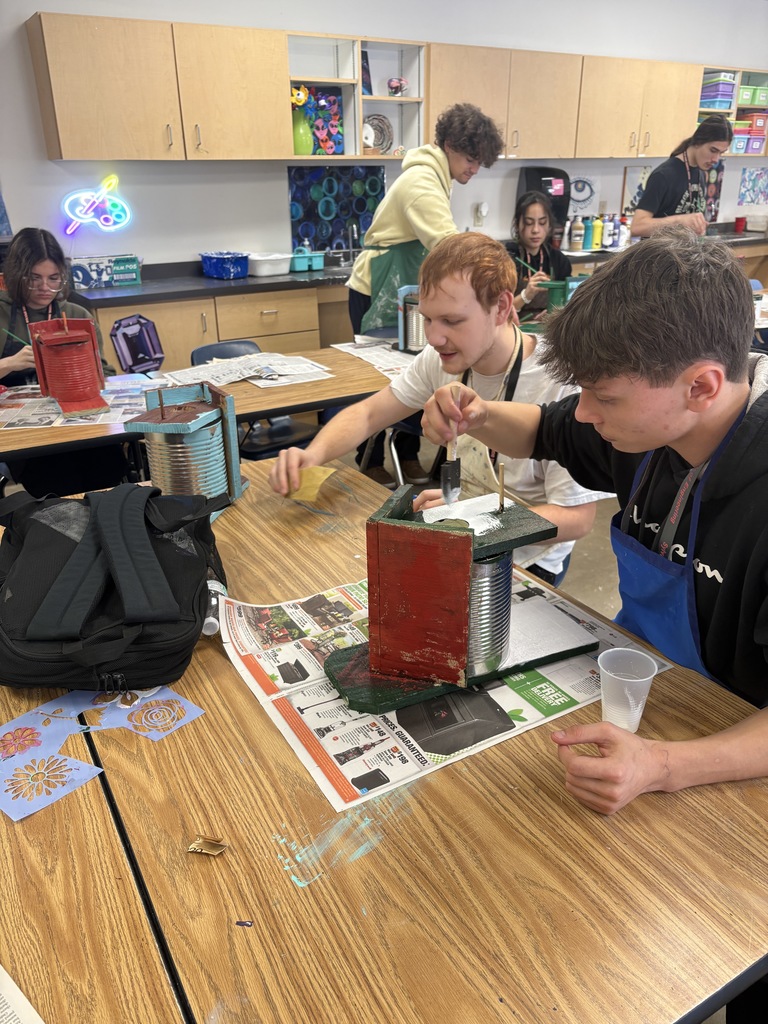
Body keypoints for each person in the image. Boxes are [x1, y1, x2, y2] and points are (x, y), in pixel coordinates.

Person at [270, 232, 607, 586]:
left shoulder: (558, 380)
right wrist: (314, 455)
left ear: (503, 308)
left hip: (527, 561)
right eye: (428, 318)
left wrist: (474, 514)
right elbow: (369, 414)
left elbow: (577, 519)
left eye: (452, 321)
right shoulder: (440, 359)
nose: (433, 337)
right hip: (467, 534)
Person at [347, 102, 504, 490]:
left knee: (420, 363)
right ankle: (368, 458)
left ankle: (409, 453)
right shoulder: (420, 182)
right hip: (379, 290)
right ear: (449, 145)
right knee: (386, 376)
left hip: (403, 287)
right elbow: (449, 245)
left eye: (480, 162)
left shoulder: (437, 178)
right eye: (471, 158)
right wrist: (498, 274)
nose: (474, 168)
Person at [0, 227, 127, 496]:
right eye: (33, 279)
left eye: (54, 278)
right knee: (58, 487)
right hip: (29, 440)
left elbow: (104, 371)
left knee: (111, 475)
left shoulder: (76, 314)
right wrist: (10, 363)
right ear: (15, 275)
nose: (45, 288)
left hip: (81, 425)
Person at [630, 114, 733, 238]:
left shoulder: (700, 173)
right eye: (713, 150)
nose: (716, 159)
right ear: (698, 142)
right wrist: (679, 221)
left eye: (721, 153)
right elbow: (637, 227)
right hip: (659, 256)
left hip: (684, 255)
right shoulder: (664, 175)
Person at [505, 190, 572, 321]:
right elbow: (496, 311)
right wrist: (525, 295)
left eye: (542, 223)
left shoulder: (559, 260)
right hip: (513, 329)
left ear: (549, 225)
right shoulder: (507, 258)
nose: (535, 230)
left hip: (545, 330)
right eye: (529, 223)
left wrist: (555, 312)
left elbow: (569, 302)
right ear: (517, 224)